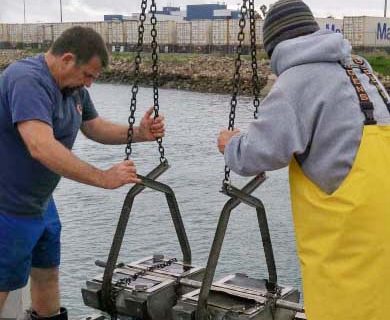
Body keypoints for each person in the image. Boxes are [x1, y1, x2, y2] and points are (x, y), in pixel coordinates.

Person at [217, 1, 390, 319]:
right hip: (381, 229)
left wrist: (231, 144)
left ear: (276, 49)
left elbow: (256, 152)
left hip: (345, 241)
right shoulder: (360, 68)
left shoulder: (297, 80)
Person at [0, 26, 165, 319]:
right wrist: (103, 177)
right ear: (66, 59)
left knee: (47, 273)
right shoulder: (26, 79)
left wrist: (138, 133)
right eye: (87, 75)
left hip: (40, 204)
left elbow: (94, 126)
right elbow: (40, 145)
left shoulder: (72, 89)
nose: (88, 84)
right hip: (7, 206)